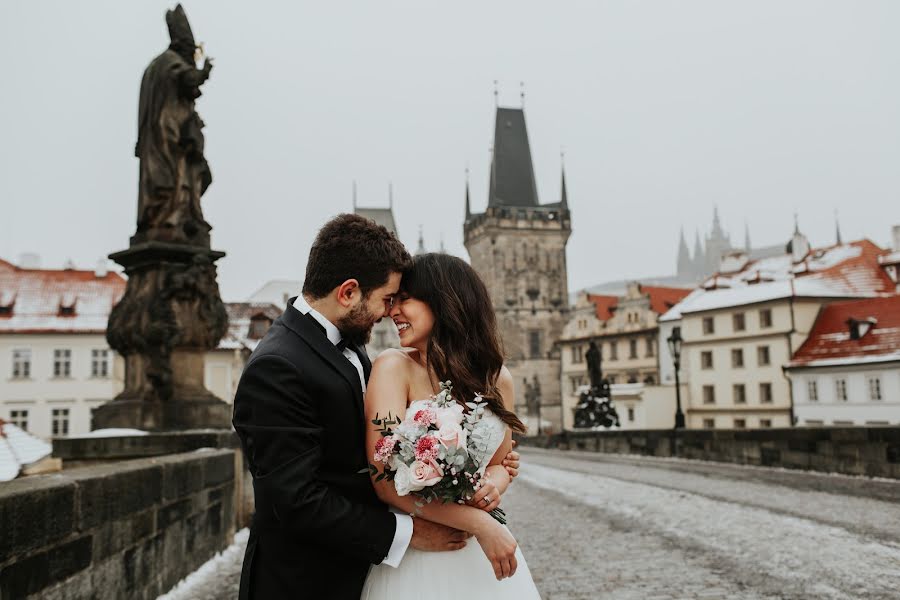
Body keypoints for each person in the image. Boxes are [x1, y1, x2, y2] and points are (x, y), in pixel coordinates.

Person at [232, 215, 520, 599]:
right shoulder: (278, 365)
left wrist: (494, 474)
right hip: (306, 582)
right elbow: (296, 500)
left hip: (365, 565)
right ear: (348, 292)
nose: (390, 312)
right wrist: (410, 532)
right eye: (388, 299)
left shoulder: (350, 344)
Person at [362, 253, 540, 599]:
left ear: (444, 302)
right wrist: (481, 524)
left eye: (405, 300)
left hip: (479, 555)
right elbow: (384, 482)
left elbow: (499, 465)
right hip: (422, 555)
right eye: (392, 301)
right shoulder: (392, 368)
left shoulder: (498, 379)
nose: (392, 312)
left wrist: (495, 485)